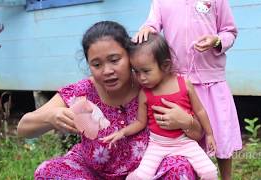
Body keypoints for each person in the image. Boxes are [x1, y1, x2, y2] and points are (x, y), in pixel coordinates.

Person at [17, 21, 205, 179]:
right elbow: (23, 129)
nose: (107, 71)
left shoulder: (151, 86)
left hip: (146, 173)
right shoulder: (82, 91)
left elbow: (198, 134)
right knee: (47, 171)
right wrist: (50, 116)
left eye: (115, 60)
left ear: (130, 57)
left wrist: (186, 121)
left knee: (179, 167)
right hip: (92, 173)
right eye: (97, 64)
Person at [134, 0, 243, 179]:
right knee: (189, 143)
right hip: (178, 83)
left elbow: (229, 31)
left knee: (220, 137)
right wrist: (146, 28)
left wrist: (217, 40)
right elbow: (152, 24)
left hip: (211, 82)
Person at [102, 33, 218, 180]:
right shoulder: (145, 93)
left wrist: (209, 134)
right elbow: (140, 122)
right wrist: (122, 132)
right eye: (136, 72)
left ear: (165, 65)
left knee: (210, 172)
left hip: (185, 142)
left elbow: (200, 110)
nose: (141, 77)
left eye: (146, 71)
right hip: (157, 146)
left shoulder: (184, 84)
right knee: (140, 177)